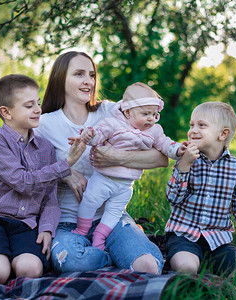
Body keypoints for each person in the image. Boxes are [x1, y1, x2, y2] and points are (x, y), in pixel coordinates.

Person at [35, 51, 168, 275]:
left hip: (111, 218)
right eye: (79, 74)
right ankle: (111, 256)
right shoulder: (45, 124)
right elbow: (28, 170)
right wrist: (65, 172)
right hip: (66, 223)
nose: (88, 81)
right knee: (73, 262)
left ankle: (114, 246)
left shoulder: (112, 111)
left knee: (149, 265)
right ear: (60, 79)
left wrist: (117, 157)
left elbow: (161, 157)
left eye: (91, 75)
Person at [0, 74, 86, 284]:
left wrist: (47, 228)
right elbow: (23, 182)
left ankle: (10, 258)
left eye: (38, 103)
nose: (38, 109)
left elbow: (50, 198)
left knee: (30, 269)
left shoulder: (45, 147)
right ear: (6, 112)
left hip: (27, 223)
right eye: (29, 105)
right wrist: (65, 164)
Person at [165, 101, 236, 277]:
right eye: (191, 124)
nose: (193, 130)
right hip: (184, 235)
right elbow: (173, 198)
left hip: (217, 241)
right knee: (186, 267)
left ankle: (210, 262)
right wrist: (184, 166)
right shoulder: (186, 159)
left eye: (201, 125)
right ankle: (193, 265)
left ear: (223, 134)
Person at [70, 82, 187, 250]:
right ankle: (82, 229)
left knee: (114, 212)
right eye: (145, 113)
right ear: (127, 112)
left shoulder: (154, 131)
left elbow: (164, 144)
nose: (151, 119)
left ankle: (100, 236)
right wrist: (89, 136)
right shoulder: (113, 124)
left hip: (126, 186)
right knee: (89, 201)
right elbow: (98, 136)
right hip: (104, 179)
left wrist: (177, 149)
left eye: (154, 114)